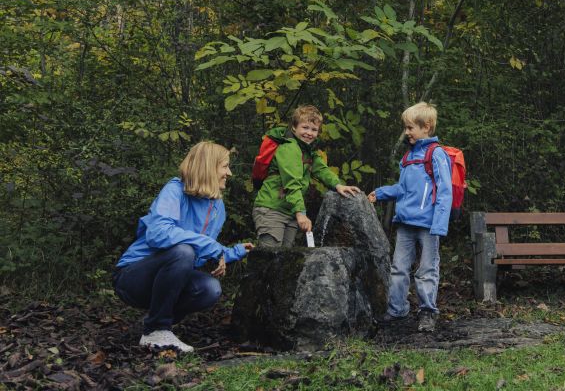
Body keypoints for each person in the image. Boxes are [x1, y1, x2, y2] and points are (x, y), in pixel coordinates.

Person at [113, 141, 253, 353]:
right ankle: (156, 329)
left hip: (168, 277)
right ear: (208, 167)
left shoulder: (217, 206)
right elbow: (158, 234)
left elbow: (201, 250)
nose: (229, 173)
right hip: (132, 277)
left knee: (210, 289)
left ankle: (155, 325)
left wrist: (233, 252)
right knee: (183, 252)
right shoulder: (175, 190)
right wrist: (211, 246)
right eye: (225, 166)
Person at [368, 101, 452, 333]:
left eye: (410, 127)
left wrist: (439, 224)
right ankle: (397, 310)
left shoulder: (436, 154)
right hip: (405, 222)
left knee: (426, 270)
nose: (406, 132)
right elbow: (403, 189)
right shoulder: (408, 156)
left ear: (426, 127)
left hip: (428, 225)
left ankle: (427, 312)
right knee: (398, 268)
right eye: (406, 127)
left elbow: (445, 191)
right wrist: (380, 193)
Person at [253, 105, 362, 247]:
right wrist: (301, 213)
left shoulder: (307, 151)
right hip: (272, 210)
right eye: (305, 127)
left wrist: (338, 185)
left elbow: (321, 169)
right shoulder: (289, 148)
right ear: (294, 127)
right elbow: (292, 183)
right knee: (269, 257)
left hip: (290, 212)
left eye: (314, 129)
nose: (309, 133)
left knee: (284, 258)